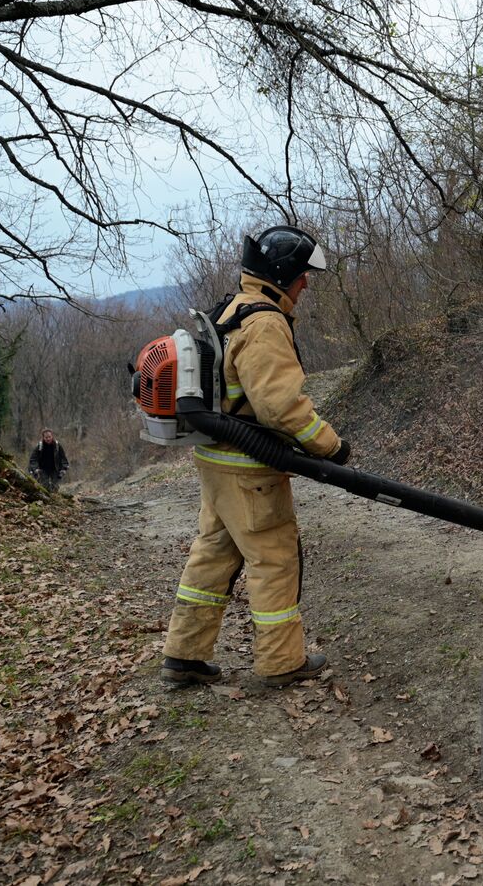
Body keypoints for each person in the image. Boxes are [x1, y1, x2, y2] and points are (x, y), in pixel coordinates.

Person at [161, 225, 350, 689]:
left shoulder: (232, 308)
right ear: (283, 274)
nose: (306, 284)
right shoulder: (265, 323)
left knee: (212, 557)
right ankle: (282, 661)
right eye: (303, 275)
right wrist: (331, 446)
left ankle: (184, 656)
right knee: (274, 559)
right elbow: (280, 407)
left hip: (219, 463)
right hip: (250, 470)